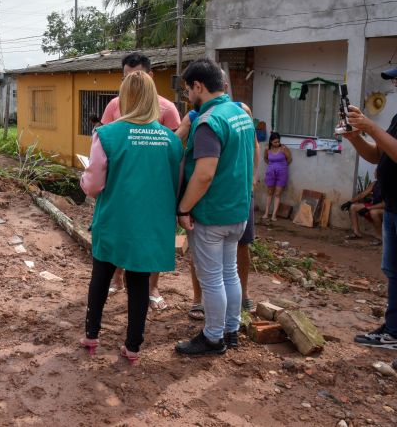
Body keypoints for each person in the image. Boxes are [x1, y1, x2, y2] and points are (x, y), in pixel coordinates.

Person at [79, 71, 183, 365]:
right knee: (139, 282)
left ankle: (91, 335)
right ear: (153, 99)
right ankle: (133, 346)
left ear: (124, 98)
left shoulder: (107, 134)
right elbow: (175, 184)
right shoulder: (170, 140)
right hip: (151, 222)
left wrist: (84, 181)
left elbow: (94, 185)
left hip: (114, 218)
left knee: (101, 276)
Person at [175, 58, 255, 356]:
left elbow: (205, 174)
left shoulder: (209, 122)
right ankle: (231, 330)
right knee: (229, 273)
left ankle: (212, 337)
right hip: (237, 211)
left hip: (213, 213)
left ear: (198, 86)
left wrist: (183, 208)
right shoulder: (239, 113)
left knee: (211, 279)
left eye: (188, 89)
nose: (187, 96)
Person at [100, 52, 182, 310]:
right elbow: (103, 145)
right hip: (123, 188)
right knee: (120, 233)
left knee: (152, 239)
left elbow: (174, 149)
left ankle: (153, 287)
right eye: (126, 78)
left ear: (150, 76)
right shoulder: (114, 106)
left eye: (137, 76)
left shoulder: (167, 109)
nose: (131, 83)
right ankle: (117, 278)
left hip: (154, 190)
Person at [342, 67, 397, 349]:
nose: (395, 84)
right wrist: (355, 137)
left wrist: (371, 127)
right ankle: (393, 330)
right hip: (393, 207)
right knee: (393, 272)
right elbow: (378, 155)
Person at [262, 132, 292, 222]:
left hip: (282, 173)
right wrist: (271, 166)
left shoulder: (284, 148)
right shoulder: (267, 149)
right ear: (271, 141)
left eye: (278, 141)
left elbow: (289, 159)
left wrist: (282, 166)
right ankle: (266, 213)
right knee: (269, 192)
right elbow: (265, 158)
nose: (277, 143)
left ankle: (274, 215)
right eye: (275, 142)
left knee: (278, 193)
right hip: (270, 173)